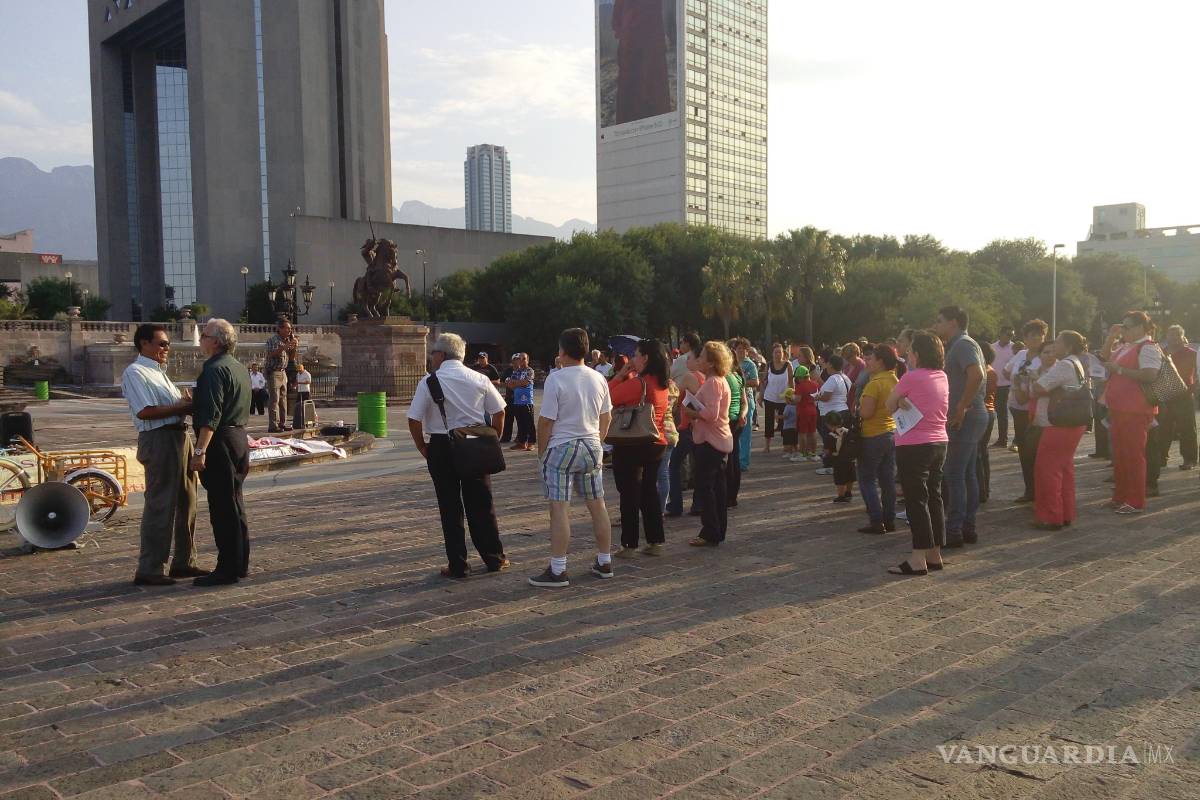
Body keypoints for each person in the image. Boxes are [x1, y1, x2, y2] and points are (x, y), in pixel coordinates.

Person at [408, 333, 509, 579]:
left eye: (433, 354)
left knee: (449, 506)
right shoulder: (479, 378)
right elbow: (499, 412)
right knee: (482, 504)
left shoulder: (429, 382)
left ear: (441, 355)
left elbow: (414, 418)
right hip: (474, 442)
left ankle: (458, 564)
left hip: (442, 444)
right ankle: (494, 558)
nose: (431, 358)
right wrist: (492, 436)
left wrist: (423, 447)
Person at [529, 328, 614, 587]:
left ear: (562, 351)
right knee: (597, 504)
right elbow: (606, 416)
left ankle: (558, 569)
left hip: (563, 445)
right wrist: (597, 441)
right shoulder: (598, 378)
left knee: (559, 508)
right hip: (591, 444)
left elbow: (545, 422)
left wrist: (542, 454)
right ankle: (604, 560)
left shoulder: (557, 378)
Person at [121, 323, 203, 586]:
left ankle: (183, 561)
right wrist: (180, 406)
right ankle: (150, 567)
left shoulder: (161, 372)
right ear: (144, 344)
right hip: (159, 438)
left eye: (167, 344)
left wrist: (183, 404)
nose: (167, 348)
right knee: (161, 503)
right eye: (162, 343)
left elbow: (170, 405)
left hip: (179, 435)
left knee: (188, 499)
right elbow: (145, 411)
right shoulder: (135, 372)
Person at [189, 319, 252, 587]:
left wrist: (200, 450)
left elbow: (211, 416)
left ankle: (226, 568)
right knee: (235, 503)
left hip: (220, 441)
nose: (200, 340)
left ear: (215, 341)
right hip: (239, 437)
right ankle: (240, 563)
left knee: (222, 507)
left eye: (203, 336)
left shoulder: (213, 370)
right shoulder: (238, 367)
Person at [885, 331, 949, 576]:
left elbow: (889, 404)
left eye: (911, 350)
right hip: (939, 441)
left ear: (918, 354)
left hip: (913, 444)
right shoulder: (942, 376)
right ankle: (935, 552)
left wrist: (900, 401)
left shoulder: (912, 378)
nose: (908, 355)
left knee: (916, 500)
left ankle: (918, 557)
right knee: (934, 497)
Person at [608, 339, 670, 557]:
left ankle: (630, 544)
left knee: (629, 493)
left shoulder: (638, 383)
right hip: (657, 441)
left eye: (635, 355)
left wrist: (620, 375)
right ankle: (655, 541)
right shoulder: (662, 382)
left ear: (645, 358)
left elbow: (608, 396)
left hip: (633, 442)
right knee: (649, 492)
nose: (632, 359)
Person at [933, 306, 988, 548]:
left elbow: (976, 375)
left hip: (966, 416)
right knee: (966, 474)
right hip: (970, 415)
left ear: (953, 322)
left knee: (955, 474)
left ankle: (955, 529)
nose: (936, 326)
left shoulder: (963, 344)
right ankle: (967, 527)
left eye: (940, 321)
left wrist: (961, 407)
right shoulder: (962, 344)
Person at [1101, 311, 1161, 514]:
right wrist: (1111, 337)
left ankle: (1135, 500)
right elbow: (1106, 357)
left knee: (1133, 456)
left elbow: (1150, 375)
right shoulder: (1127, 346)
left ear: (1139, 328)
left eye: (1126, 327)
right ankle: (1120, 496)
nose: (1122, 330)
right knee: (1120, 455)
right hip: (1119, 408)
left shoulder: (1148, 347)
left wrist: (1119, 370)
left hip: (1135, 409)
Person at [1030, 331, 1089, 530]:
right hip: (1075, 422)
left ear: (1069, 346)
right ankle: (1066, 512)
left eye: (1058, 343)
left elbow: (1039, 387)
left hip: (1059, 424)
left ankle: (1051, 515)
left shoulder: (1064, 365)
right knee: (1064, 468)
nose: (1054, 346)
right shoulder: (1077, 363)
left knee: (1047, 468)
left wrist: (1036, 377)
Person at [684, 341, 733, 547]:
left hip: (710, 442)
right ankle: (717, 529)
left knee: (706, 488)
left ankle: (710, 530)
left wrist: (691, 411)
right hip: (718, 440)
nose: (699, 360)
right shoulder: (719, 380)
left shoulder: (713, 382)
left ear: (712, 363)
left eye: (702, 357)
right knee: (718, 488)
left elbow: (711, 414)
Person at [856, 344, 898, 534]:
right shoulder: (894, 380)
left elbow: (866, 412)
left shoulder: (875, 383)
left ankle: (876, 519)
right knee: (887, 479)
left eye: (871, 358)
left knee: (866, 478)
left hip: (872, 435)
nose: (867, 361)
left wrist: (857, 410)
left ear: (880, 361)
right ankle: (889, 518)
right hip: (890, 432)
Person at [1003, 320, 1048, 499]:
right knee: (1024, 450)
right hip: (1017, 407)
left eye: (1040, 335)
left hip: (1035, 409)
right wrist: (1017, 382)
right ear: (1025, 338)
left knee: (1035, 451)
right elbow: (1006, 371)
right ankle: (1030, 489)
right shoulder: (1021, 354)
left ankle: (1040, 491)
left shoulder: (1046, 357)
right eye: (1032, 335)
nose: (1037, 338)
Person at [666, 338, 705, 517]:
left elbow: (674, 396)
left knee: (673, 465)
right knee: (697, 465)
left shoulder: (690, 376)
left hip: (686, 425)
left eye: (689, 358)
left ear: (698, 360)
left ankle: (675, 505)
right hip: (696, 427)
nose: (685, 361)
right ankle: (697, 504)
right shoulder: (704, 378)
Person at [1160, 325, 1197, 470]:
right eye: (1170, 335)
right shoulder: (1161, 353)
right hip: (1165, 395)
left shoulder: (1191, 353)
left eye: (1176, 335)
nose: (1173, 338)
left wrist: (1193, 388)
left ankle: (1190, 459)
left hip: (1184, 395)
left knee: (1187, 429)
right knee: (1162, 428)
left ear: (1182, 336)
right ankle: (1161, 457)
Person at [814, 353, 851, 476]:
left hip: (832, 414)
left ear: (830, 364)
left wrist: (818, 397)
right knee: (840, 441)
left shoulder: (833, 379)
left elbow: (826, 397)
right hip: (843, 411)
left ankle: (829, 465)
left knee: (829, 441)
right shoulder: (845, 377)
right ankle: (838, 464)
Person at [263, 318, 297, 433]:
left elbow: (291, 358)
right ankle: (273, 425)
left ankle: (282, 423)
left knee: (283, 400)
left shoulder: (286, 340)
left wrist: (294, 346)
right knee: (274, 399)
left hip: (283, 372)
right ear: (280, 329)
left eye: (290, 329)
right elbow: (271, 354)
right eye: (287, 328)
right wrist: (286, 345)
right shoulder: (274, 340)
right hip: (274, 371)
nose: (289, 330)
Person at [725, 348, 749, 507]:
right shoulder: (738, 377)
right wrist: (742, 414)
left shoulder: (726, 377)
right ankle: (732, 496)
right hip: (737, 421)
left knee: (729, 461)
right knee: (734, 457)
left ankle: (729, 495)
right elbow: (745, 402)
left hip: (729, 421)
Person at [976, 341, 998, 504]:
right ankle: (985, 489)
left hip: (982, 411)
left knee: (977, 454)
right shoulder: (991, 370)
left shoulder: (983, 372)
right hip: (989, 412)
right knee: (982, 453)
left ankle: (981, 490)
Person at [761, 343, 792, 453]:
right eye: (776, 352)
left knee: (785, 422)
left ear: (783, 354)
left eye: (780, 352)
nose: (778, 354)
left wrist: (790, 396)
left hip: (784, 398)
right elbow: (763, 381)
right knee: (768, 421)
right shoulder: (768, 365)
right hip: (770, 397)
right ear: (772, 354)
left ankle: (786, 444)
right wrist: (760, 396)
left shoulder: (788, 365)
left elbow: (791, 383)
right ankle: (767, 445)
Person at [733, 338, 758, 472]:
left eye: (743, 349)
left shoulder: (750, 365)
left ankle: (743, 462)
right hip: (734, 401)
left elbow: (755, 382)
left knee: (745, 432)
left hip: (747, 400)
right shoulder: (731, 364)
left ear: (747, 351)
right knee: (735, 431)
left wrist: (740, 383)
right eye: (738, 349)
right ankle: (735, 459)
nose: (740, 351)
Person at [991, 328, 1017, 447]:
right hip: (992, 384)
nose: (1010, 337)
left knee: (1002, 413)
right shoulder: (992, 347)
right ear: (1000, 334)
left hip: (1006, 385)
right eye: (1008, 334)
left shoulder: (1014, 349)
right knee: (991, 412)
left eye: (1012, 335)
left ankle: (1003, 439)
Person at [506, 352, 536, 451]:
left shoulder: (529, 370)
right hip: (517, 401)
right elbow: (510, 385)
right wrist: (516, 383)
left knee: (529, 423)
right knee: (520, 423)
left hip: (527, 401)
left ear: (527, 360)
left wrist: (516, 383)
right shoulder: (516, 372)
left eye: (524, 359)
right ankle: (522, 443)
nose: (521, 360)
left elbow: (525, 383)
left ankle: (531, 442)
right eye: (520, 359)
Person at [793, 365, 820, 461]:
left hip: (803, 410)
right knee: (812, 432)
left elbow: (797, 399)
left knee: (802, 433)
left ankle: (802, 454)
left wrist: (790, 397)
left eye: (797, 378)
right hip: (813, 409)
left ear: (800, 377)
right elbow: (816, 397)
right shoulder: (815, 384)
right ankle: (813, 453)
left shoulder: (800, 386)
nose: (796, 380)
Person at [499, 354, 518, 443]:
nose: (517, 361)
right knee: (508, 419)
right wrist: (508, 383)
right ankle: (506, 437)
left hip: (520, 399)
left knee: (521, 419)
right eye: (515, 360)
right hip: (509, 398)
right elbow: (501, 382)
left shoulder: (524, 371)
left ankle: (520, 438)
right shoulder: (508, 370)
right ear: (512, 361)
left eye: (519, 359)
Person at [292, 361, 312, 430]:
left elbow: (309, 382)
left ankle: (307, 417)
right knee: (298, 404)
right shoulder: (298, 374)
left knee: (306, 405)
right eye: (298, 371)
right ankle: (300, 417)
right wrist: (295, 385)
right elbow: (297, 381)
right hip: (300, 391)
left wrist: (300, 383)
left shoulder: (307, 374)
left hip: (305, 391)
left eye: (300, 370)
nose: (299, 372)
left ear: (302, 369)